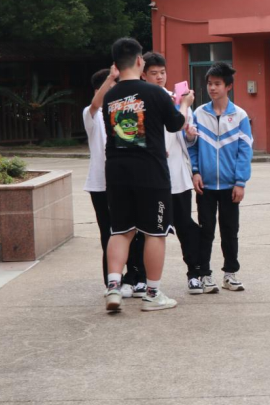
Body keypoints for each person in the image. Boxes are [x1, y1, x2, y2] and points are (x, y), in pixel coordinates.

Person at [102, 37, 194, 312]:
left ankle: (114, 286)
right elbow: (176, 124)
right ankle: (152, 293)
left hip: (116, 173)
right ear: (140, 61)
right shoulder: (155, 93)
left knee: (121, 230)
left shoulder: (110, 96)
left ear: (116, 65)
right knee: (155, 232)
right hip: (150, 173)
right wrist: (184, 104)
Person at [142, 51, 204, 294]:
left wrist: (189, 135)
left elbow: (186, 137)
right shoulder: (141, 102)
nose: (159, 77)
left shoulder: (176, 99)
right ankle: (140, 278)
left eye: (162, 72)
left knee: (184, 224)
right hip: (152, 177)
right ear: (143, 75)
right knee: (149, 229)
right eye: (154, 73)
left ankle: (195, 273)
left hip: (178, 177)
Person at [189, 62, 252, 293]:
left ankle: (230, 274)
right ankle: (205, 274)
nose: (212, 88)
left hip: (230, 186)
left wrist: (240, 182)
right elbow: (192, 147)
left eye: (217, 84)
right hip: (205, 186)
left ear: (229, 87)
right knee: (206, 231)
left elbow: (245, 152)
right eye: (209, 84)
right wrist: (195, 172)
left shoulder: (239, 116)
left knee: (230, 231)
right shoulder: (198, 114)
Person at [84, 67, 147, 299]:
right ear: (98, 90)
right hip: (100, 185)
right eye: (111, 88)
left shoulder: (126, 112)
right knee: (108, 233)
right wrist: (111, 77)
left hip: (126, 182)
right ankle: (112, 281)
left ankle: (134, 278)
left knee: (133, 231)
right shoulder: (91, 114)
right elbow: (94, 105)